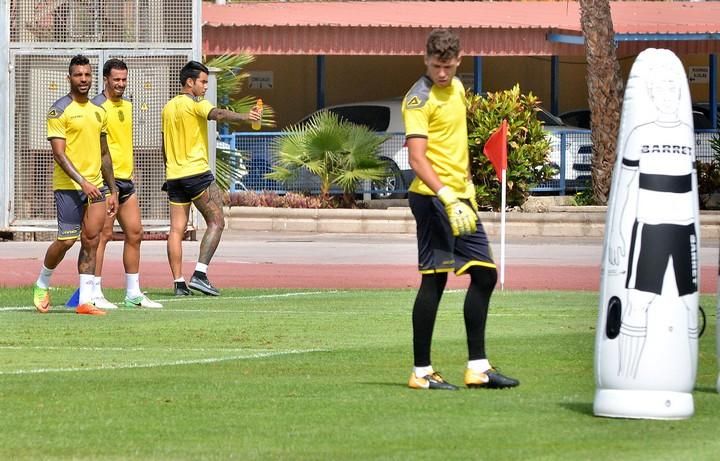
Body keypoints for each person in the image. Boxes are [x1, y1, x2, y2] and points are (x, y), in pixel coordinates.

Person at [403, 29, 519, 390]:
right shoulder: (418, 99)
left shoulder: (456, 88)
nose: (442, 73)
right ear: (425, 59)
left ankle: (477, 369)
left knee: (483, 275)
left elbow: (454, 141)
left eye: (448, 66)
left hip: (458, 196)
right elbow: (417, 159)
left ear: (459, 60)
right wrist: (447, 197)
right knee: (437, 279)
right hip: (434, 197)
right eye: (436, 66)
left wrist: (464, 186)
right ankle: (422, 372)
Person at [608, 63, 698, 379]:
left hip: (684, 230)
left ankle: (683, 374)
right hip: (649, 228)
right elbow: (625, 184)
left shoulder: (687, 135)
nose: (668, 97)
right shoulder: (640, 134)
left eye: (673, 90)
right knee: (638, 303)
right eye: (661, 91)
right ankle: (626, 377)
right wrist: (618, 235)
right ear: (652, 96)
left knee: (689, 305)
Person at [161, 60, 262, 296]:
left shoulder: (168, 107)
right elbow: (217, 113)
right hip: (196, 173)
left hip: (174, 176)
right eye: (203, 82)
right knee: (217, 222)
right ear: (190, 82)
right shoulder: (196, 104)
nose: (205, 87)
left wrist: (171, 167)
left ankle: (178, 283)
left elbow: (164, 145)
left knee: (176, 230)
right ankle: (200, 274)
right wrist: (247, 117)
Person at [32, 54, 119, 316]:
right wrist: (81, 182)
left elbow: (104, 153)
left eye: (87, 75)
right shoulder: (59, 110)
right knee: (66, 240)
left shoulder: (98, 111)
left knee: (91, 240)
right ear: (68, 77)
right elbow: (59, 154)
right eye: (78, 75)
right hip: (70, 187)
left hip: (97, 188)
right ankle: (42, 283)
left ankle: (85, 300)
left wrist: (112, 189)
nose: (83, 79)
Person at [90, 58, 162, 309]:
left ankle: (133, 293)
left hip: (126, 182)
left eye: (124, 79)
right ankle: (94, 293)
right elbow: (95, 149)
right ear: (106, 79)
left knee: (135, 233)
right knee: (103, 235)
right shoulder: (96, 107)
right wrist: (107, 185)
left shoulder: (129, 105)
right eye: (116, 79)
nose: (120, 84)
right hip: (104, 182)